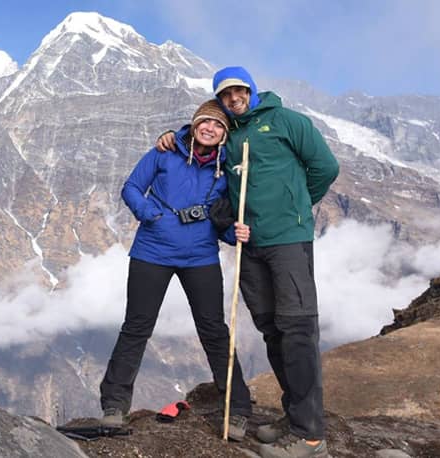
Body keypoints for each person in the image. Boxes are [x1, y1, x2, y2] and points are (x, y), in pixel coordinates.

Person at [156, 67, 339, 458]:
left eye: (239, 91)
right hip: (249, 245)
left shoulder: (288, 122)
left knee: (298, 329)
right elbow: (199, 137)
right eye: (225, 94)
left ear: (251, 90)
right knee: (272, 328)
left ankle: (311, 436)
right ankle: (294, 417)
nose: (234, 98)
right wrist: (173, 135)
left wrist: (296, 207)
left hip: (288, 240)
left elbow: (326, 168)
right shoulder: (229, 132)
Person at [99, 99, 253, 441]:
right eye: (205, 123)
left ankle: (238, 410)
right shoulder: (164, 151)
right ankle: (113, 406)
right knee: (137, 326)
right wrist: (149, 215)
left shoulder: (228, 167)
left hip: (200, 254)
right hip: (152, 250)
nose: (210, 129)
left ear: (224, 133)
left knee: (214, 329)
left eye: (218, 126)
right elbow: (132, 187)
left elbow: (222, 215)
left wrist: (234, 233)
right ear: (195, 124)